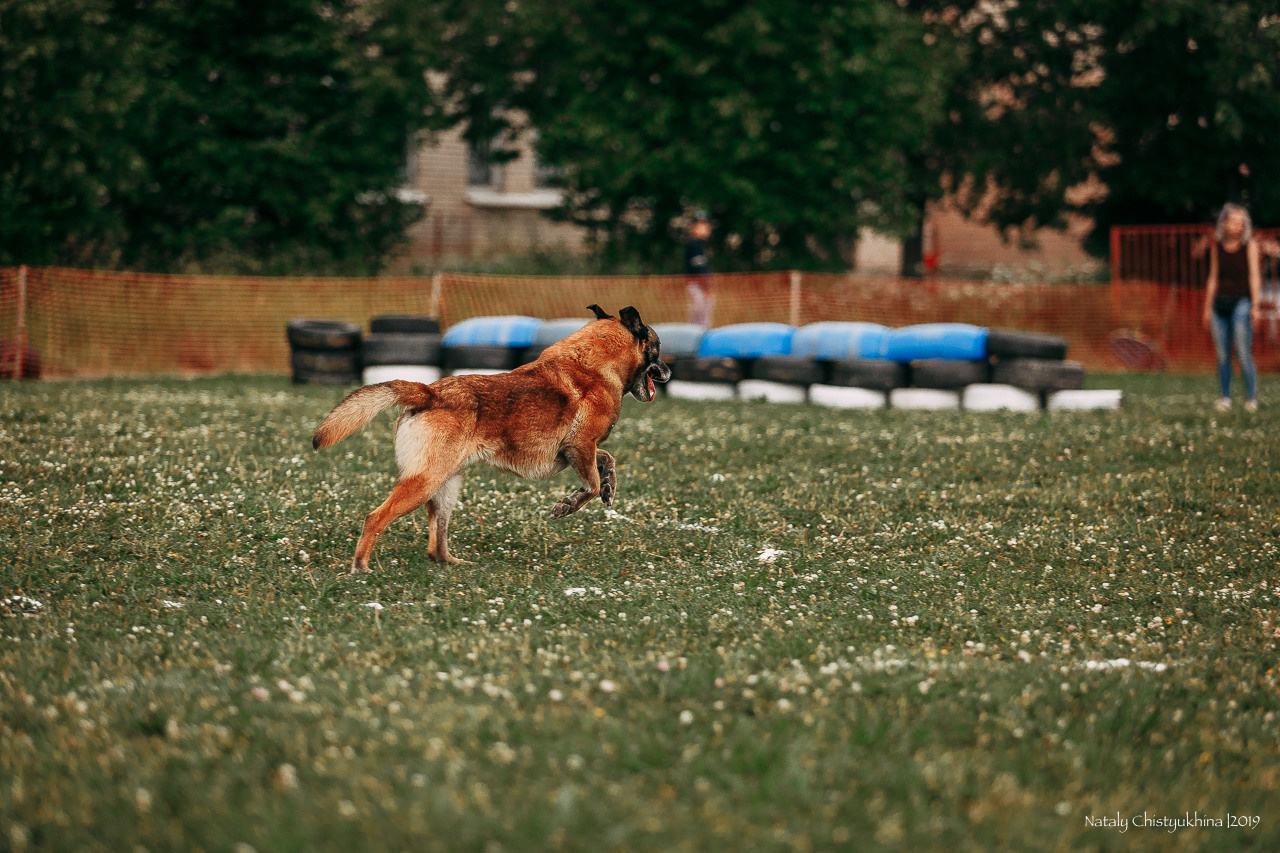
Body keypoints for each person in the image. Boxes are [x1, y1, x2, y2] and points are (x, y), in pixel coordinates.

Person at [1201, 203, 1263, 412]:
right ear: (1224, 223)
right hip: (1220, 304)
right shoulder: (1216, 246)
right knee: (1223, 355)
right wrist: (1207, 308)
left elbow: (1254, 275)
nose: (1238, 226)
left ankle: (1251, 399)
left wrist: (1256, 306)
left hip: (1242, 303)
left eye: (1241, 222)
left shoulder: (1250, 245)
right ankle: (1225, 398)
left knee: (1243, 352)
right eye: (1234, 221)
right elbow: (1213, 277)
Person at [684, 211, 714, 327]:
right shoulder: (694, 243)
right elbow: (698, 269)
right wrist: (706, 287)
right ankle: (696, 342)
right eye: (701, 224)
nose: (705, 227)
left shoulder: (699, 244)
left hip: (698, 285)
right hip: (697, 285)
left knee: (700, 318)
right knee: (699, 319)